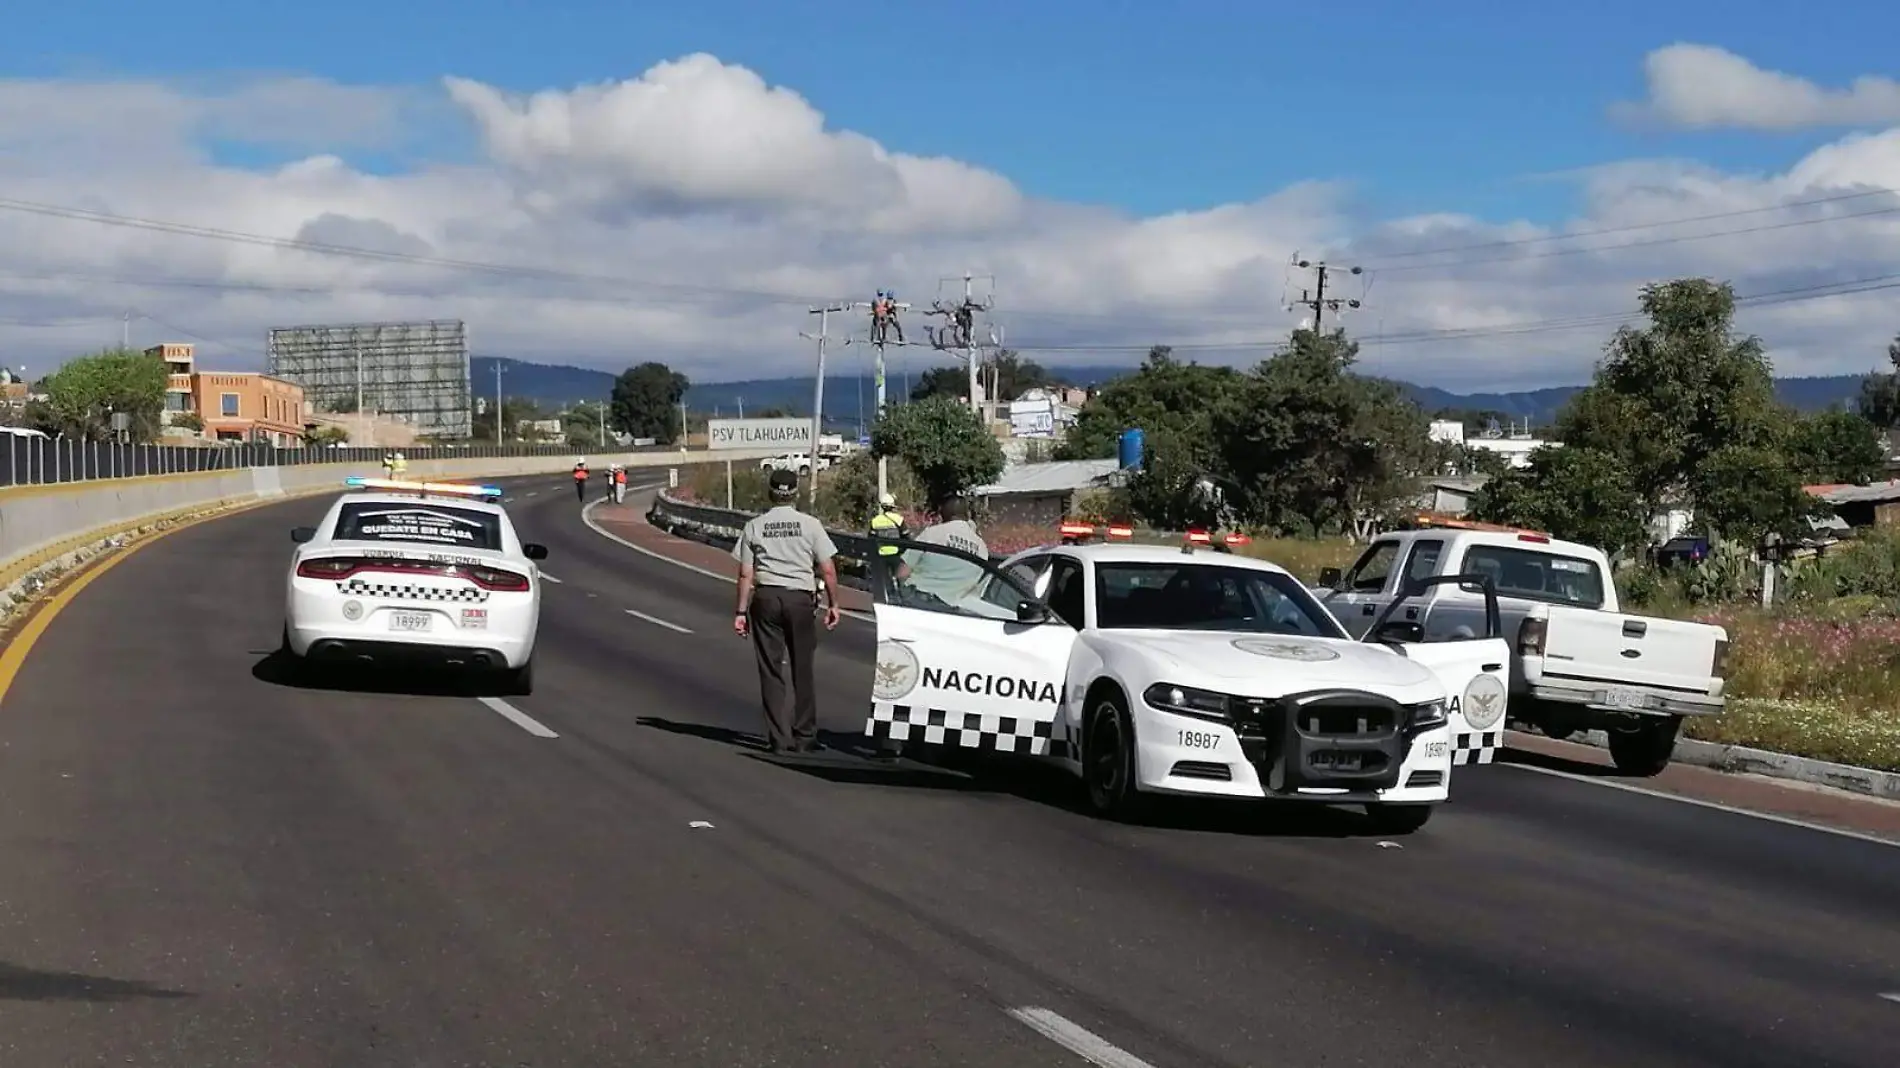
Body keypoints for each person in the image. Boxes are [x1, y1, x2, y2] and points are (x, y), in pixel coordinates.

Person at [732, 468, 843, 754]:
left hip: (766, 598)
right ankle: (804, 736)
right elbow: (828, 569)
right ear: (796, 493)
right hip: (800, 600)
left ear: (771, 492)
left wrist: (741, 612)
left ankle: (779, 738)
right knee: (802, 668)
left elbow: (746, 574)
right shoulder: (810, 525)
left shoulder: (755, 526)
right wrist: (834, 603)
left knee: (771, 670)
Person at [894, 495, 989, 609]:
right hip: (954, 611)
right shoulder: (982, 549)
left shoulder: (932, 534)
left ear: (942, 514)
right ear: (967, 515)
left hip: (918, 602)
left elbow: (902, 573)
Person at [867, 492, 906, 558]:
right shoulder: (899, 519)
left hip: (880, 555)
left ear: (882, 507)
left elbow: (871, 539)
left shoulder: (875, 521)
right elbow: (907, 538)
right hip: (896, 554)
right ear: (892, 506)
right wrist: (901, 550)